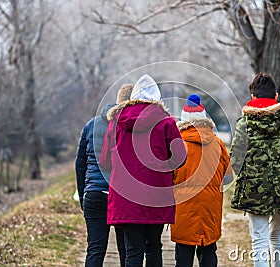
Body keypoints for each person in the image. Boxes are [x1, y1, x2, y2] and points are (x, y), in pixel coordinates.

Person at [99, 74, 186, 267]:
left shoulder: (115, 123)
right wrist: (164, 167)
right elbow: (180, 158)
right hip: (156, 195)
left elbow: (105, 160)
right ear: (157, 98)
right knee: (154, 247)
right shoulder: (167, 122)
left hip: (126, 196)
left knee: (133, 251)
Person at [230, 73, 280, 267]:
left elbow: (235, 160)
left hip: (254, 189)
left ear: (253, 98)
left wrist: (249, 174)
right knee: (277, 235)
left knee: (259, 239)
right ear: (275, 96)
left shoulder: (245, 124)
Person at [75, 84, 134, 267]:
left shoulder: (91, 125)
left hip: (94, 193)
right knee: (126, 249)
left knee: (95, 248)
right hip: (121, 196)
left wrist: (83, 193)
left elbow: (80, 164)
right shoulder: (133, 128)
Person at [171, 94, 232, 267]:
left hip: (184, 208)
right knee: (208, 250)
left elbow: (169, 178)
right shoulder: (218, 144)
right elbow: (228, 177)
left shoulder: (177, 145)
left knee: (183, 251)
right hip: (210, 207)